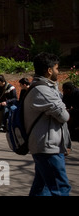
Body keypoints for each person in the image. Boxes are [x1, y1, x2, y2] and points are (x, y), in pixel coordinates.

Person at [24, 52, 71, 196]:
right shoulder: (42, 90)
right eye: (57, 68)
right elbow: (64, 116)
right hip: (47, 147)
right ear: (49, 70)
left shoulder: (47, 87)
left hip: (49, 146)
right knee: (60, 188)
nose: (59, 72)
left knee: (41, 187)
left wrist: (66, 143)